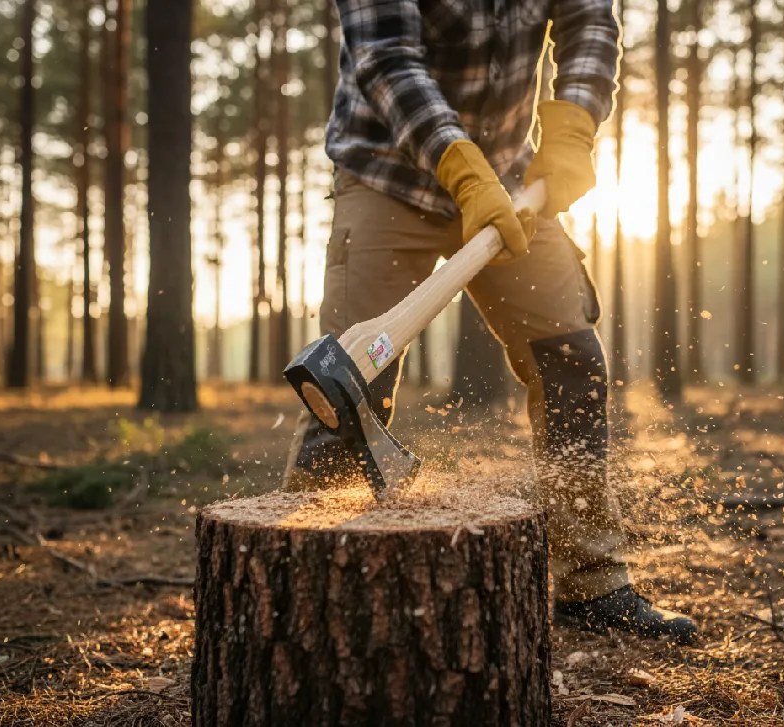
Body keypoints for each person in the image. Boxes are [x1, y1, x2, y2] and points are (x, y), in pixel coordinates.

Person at [285, 0, 697, 645]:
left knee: (570, 360)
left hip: (508, 183)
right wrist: (458, 164)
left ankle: (591, 583)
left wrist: (574, 126)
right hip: (387, 173)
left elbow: (590, 19)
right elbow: (386, 57)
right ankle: (297, 586)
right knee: (351, 385)